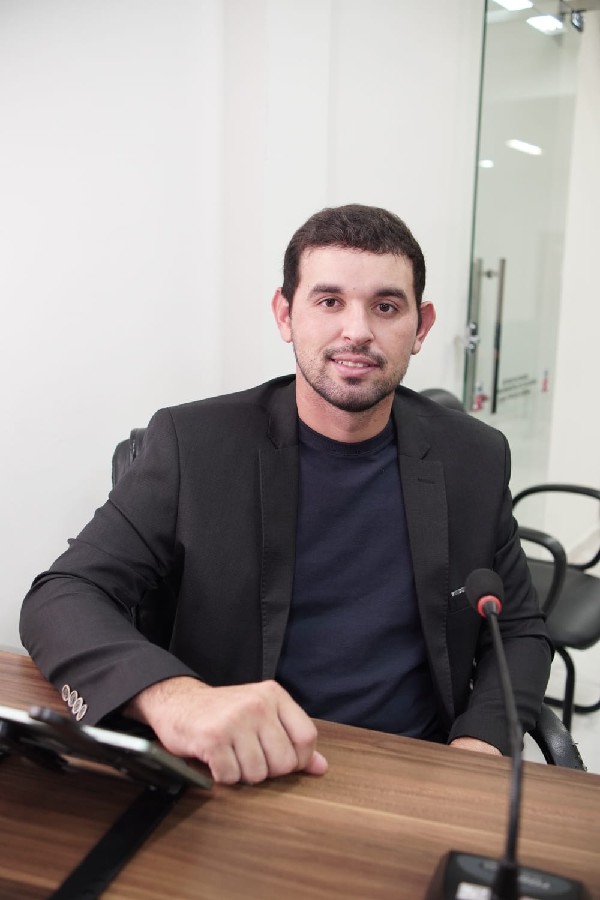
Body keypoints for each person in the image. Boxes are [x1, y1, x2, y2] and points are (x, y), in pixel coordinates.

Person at [20, 204, 552, 785]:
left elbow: (519, 631)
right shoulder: (194, 447)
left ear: (420, 326)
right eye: (329, 302)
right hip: (243, 766)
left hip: (416, 768)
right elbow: (63, 594)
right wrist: (175, 698)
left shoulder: (473, 456)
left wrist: (480, 745)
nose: (357, 331)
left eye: (385, 306)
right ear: (285, 314)